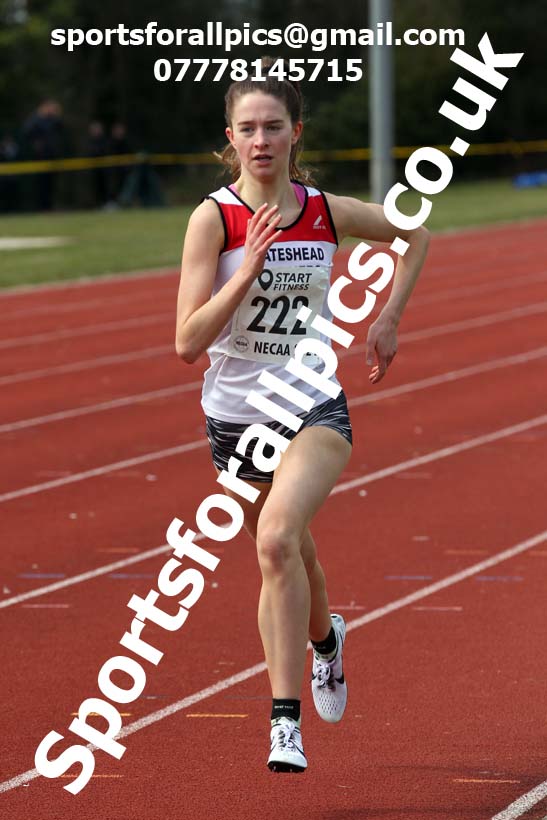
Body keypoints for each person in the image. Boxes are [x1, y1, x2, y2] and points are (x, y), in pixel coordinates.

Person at [175, 57, 429, 773]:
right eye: (247, 128)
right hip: (235, 422)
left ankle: (282, 721)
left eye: (273, 127)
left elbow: (414, 235)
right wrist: (247, 270)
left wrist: (388, 318)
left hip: (312, 404)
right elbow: (187, 343)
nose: (260, 140)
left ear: (295, 135)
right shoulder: (212, 220)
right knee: (296, 555)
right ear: (231, 138)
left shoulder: (324, 211)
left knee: (277, 540)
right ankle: (327, 642)